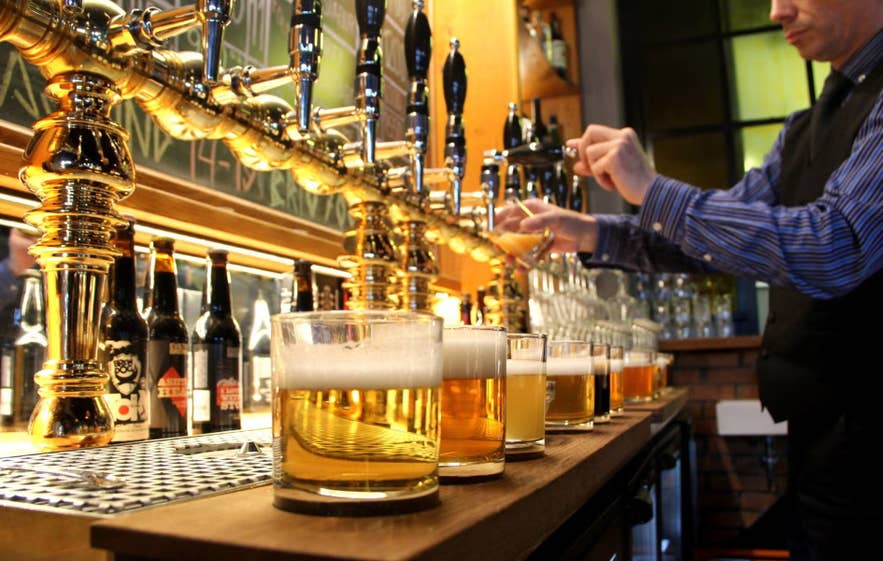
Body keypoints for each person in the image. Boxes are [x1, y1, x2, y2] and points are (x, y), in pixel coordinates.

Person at [495, 1, 882, 560]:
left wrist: (653, 189)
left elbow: (835, 244)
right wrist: (589, 234)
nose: (777, 10)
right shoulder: (808, 124)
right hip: (824, 437)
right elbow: (718, 239)